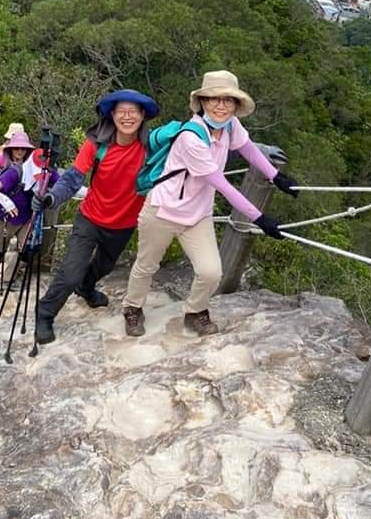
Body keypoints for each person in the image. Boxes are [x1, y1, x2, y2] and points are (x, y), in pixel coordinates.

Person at [122, 70, 298, 338]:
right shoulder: (191, 137)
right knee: (147, 265)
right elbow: (222, 185)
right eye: (214, 99)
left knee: (211, 271)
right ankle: (132, 308)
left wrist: (276, 176)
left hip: (197, 215)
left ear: (235, 105)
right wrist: (259, 218)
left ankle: (195, 311)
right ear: (203, 102)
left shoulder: (230, 125)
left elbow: (248, 148)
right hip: (162, 211)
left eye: (228, 100)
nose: (221, 105)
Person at [33, 89, 159, 345]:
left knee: (105, 266)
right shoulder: (96, 145)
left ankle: (87, 289)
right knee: (70, 273)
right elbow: (72, 178)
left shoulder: (151, 147)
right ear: (111, 115)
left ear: (142, 115)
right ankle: (44, 314)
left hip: (124, 224)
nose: (127, 116)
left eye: (133, 111)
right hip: (90, 219)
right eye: (121, 111)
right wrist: (51, 198)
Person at [0, 131, 57, 287]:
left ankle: (9, 277)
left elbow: (64, 184)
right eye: (16, 148)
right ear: (10, 150)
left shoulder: (41, 169)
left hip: (26, 217)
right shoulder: (13, 171)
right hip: (2, 217)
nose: (20, 151)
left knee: (27, 250)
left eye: (23, 148)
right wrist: (6, 202)